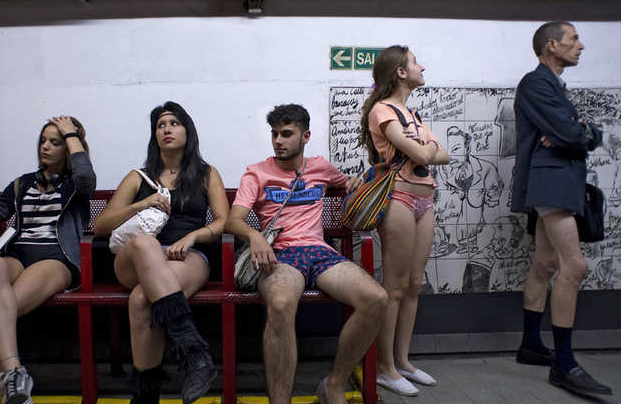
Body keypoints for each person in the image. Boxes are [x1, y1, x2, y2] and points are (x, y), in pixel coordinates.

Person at [225, 104, 388, 404]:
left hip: (320, 252)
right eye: (274, 134)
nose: (278, 141)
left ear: (305, 136)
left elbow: (348, 181)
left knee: (376, 299)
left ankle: (334, 384)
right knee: (281, 301)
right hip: (282, 255)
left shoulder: (320, 167)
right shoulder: (257, 173)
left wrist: (354, 181)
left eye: (287, 134)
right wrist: (255, 237)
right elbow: (233, 220)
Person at [93, 102, 228, 404]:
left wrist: (193, 236)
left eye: (174, 123)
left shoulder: (206, 174)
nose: (167, 129)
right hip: (135, 259)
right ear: (154, 135)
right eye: (160, 125)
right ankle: (194, 354)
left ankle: (145, 395)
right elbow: (101, 225)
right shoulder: (138, 177)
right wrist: (140, 204)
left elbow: (222, 221)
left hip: (186, 256)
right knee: (145, 243)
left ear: (187, 130)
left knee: (141, 300)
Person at [511, 21, 611, 396]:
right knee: (576, 266)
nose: (581, 46)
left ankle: (531, 345)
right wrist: (576, 130)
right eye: (574, 39)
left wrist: (579, 130)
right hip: (550, 183)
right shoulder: (536, 83)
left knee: (546, 264)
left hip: (556, 181)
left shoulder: (554, 86)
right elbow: (574, 134)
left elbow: (584, 133)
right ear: (551, 45)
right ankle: (565, 364)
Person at [0, 116, 96, 404]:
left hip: (55, 259)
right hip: (18, 256)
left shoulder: (75, 186)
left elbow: (87, 176)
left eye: (56, 142)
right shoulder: (22, 184)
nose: (46, 147)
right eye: (43, 141)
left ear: (70, 147)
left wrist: (71, 132)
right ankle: (15, 374)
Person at [358, 45, 450, 396]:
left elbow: (443, 154)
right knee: (394, 287)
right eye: (415, 63)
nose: (421, 67)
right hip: (398, 196)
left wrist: (424, 146)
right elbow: (423, 152)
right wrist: (425, 146)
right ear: (399, 71)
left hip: (425, 199)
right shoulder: (383, 110)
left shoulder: (411, 115)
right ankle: (385, 367)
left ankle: (403, 361)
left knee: (414, 284)